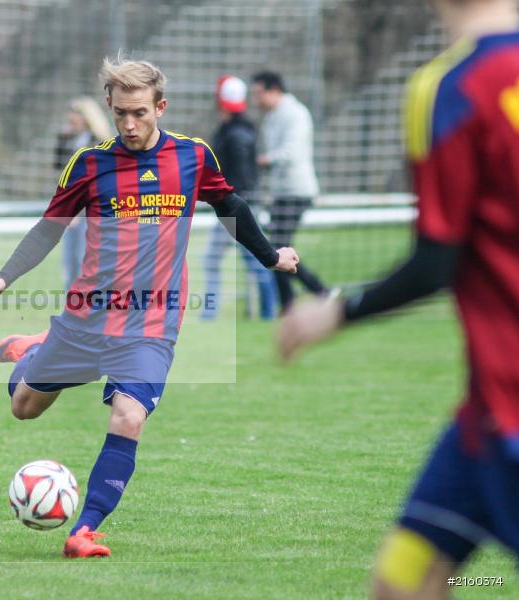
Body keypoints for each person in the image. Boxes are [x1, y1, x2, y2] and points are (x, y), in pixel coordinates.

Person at [0, 56, 299, 558]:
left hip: (153, 321)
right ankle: (35, 350)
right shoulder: (89, 164)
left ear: (160, 108)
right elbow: (49, 228)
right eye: (120, 112)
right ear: (109, 105)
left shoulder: (193, 157)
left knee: (128, 417)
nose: (129, 124)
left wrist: (271, 256)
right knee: (24, 408)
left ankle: (84, 531)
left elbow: (230, 206)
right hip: (88, 317)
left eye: (140, 112)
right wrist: (2, 277)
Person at [277, 0, 519, 597]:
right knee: (401, 581)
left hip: (510, 405)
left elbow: (437, 260)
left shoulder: (452, 86)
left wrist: (336, 310)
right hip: (482, 418)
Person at [202, 75, 278, 321]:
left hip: (235, 205)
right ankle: (268, 312)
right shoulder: (241, 130)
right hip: (239, 203)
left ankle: (209, 315)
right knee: (256, 260)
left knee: (216, 259)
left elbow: (241, 177)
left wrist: (230, 200)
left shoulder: (234, 135)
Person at [251, 71, 328, 311]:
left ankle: (316, 293)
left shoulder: (296, 113)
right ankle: (297, 300)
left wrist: (264, 160)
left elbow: (291, 153)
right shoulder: (272, 117)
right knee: (277, 248)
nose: (256, 100)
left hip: (297, 191)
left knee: (276, 248)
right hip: (281, 192)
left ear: (274, 90)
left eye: (259, 94)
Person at [54, 98, 114, 290]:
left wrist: (78, 212)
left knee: (85, 261)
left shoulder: (99, 143)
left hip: (91, 213)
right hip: (71, 212)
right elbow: (59, 168)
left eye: (75, 114)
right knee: (69, 263)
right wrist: (62, 138)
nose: (70, 118)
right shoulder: (72, 141)